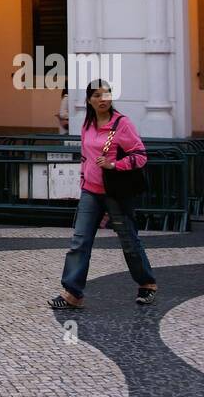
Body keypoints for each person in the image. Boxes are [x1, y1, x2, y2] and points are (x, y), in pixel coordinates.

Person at [49, 80, 157, 310]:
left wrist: (114, 165)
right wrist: (83, 181)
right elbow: (85, 157)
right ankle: (72, 293)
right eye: (96, 95)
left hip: (115, 192)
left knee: (128, 240)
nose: (102, 99)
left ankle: (147, 283)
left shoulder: (122, 124)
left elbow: (140, 156)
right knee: (80, 241)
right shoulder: (87, 124)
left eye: (106, 94)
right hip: (91, 191)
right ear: (89, 100)